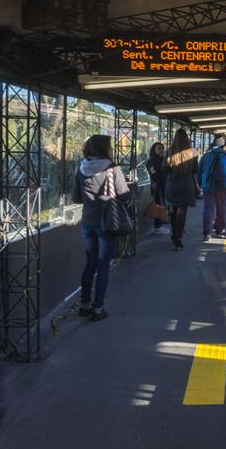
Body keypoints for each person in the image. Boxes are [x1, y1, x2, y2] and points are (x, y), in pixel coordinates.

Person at [72, 134, 130, 321]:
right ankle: (98, 309)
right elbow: (124, 195)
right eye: (110, 146)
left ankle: (84, 305)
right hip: (107, 223)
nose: (112, 149)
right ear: (104, 148)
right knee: (103, 266)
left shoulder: (81, 168)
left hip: (87, 222)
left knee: (90, 264)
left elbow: (76, 198)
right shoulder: (112, 168)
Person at [162, 129, 198, 251]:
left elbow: (163, 168)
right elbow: (195, 170)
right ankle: (178, 239)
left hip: (172, 185)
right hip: (186, 186)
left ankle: (174, 236)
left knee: (172, 211)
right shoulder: (192, 152)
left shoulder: (170, 151)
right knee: (181, 214)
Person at [198, 134, 226, 241]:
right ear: (222, 145)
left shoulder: (206, 156)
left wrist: (200, 184)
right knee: (221, 209)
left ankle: (207, 233)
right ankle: (220, 231)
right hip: (224, 186)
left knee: (208, 209)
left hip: (208, 186)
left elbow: (199, 171)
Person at [145, 142, 169, 235]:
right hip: (157, 186)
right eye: (159, 149)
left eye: (162, 148)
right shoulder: (151, 161)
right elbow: (153, 174)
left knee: (162, 205)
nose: (161, 151)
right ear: (154, 150)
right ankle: (157, 226)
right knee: (158, 205)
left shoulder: (163, 159)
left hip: (164, 186)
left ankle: (160, 224)